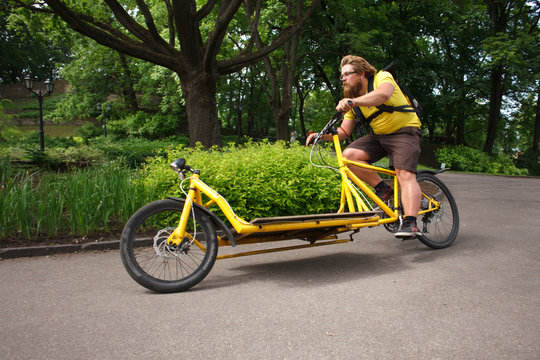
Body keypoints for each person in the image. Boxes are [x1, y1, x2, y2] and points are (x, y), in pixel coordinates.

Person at [305, 55, 423, 238]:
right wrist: (319, 136)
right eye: (341, 76)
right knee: (349, 155)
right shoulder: (353, 100)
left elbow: (383, 95)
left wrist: (354, 102)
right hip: (379, 136)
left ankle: (411, 222)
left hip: (404, 132)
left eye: (346, 74)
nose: (343, 78)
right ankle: (383, 189)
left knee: (404, 173)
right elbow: (344, 131)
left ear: (361, 73)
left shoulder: (382, 77)